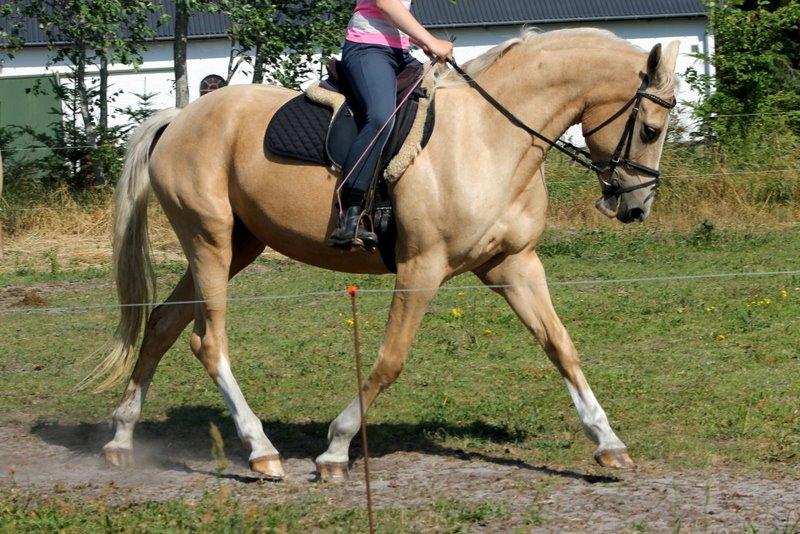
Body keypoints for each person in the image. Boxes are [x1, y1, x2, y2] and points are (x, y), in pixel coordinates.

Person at [327, 0, 454, 250]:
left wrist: (419, 42)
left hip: (399, 54)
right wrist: (430, 40)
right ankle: (349, 213)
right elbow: (385, 4)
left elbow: (397, 17)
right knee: (381, 117)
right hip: (366, 47)